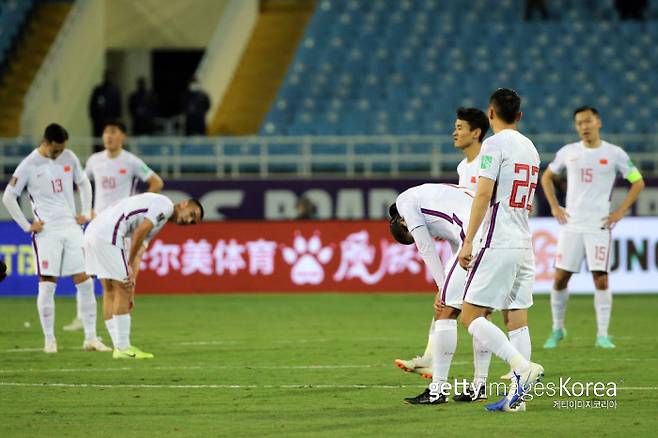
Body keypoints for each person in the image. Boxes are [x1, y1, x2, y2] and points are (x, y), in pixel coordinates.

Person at [457, 89, 543, 412]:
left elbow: (483, 196)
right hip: (524, 242)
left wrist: (468, 241)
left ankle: (520, 365)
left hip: (499, 240)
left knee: (469, 316)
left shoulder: (493, 145)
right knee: (516, 317)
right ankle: (517, 400)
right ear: (519, 116)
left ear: (490, 114)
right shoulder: (531, 149)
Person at [394, 108, 491, 386]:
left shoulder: (489, 160)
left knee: (480, 311)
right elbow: (455, 223)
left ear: (476, 132)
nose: (454, 132)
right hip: (470, 237)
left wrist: (442, 283)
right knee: (471, 309)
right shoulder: (463, 168)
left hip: (491, 234)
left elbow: (487, 202)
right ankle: (449, 366)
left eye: (460, 127)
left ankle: (518, 363)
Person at [541, 107, 644, 350]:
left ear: (598, 121)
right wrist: (555, 206)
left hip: (598, 226)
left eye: (587, 121)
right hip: (572, 224)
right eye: (579, 123)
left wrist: (620, 211)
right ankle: (557, 329)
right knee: (559, 278)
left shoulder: (614, 153)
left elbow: (637, 182)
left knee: (601, 279)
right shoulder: (569, 152)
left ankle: (603, 335)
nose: (584, 126)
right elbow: (546, 177)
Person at [1, 123, 110, 353]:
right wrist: (27, 225)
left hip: (71, 226)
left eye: (62, 149)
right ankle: (49, 340)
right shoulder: (29, 165)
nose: (60, 153)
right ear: (46, 142)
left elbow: (83, 183)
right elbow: (9, 197)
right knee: (48, 283)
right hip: (47, 231)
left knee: (85, 281)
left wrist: (87, 211)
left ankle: (90, 338)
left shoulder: (69, 157)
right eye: (56, 149)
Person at [390, 183, 492, 404]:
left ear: (402, 221)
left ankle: (438, 390)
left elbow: (426, 247)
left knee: (445, 310)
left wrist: (441, 288)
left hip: (474, 233)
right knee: (480, 311)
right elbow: (457, 247)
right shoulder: (430, 195)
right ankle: (480, 385)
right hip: (496, 232)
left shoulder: (404, 202)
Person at [62, 120, 164, 337]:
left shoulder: (131, 161)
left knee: (124, 277)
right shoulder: (94, 161)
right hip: (98, 225)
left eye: (113, 132)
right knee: (90, 274)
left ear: (123, 136)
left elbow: (156, 182)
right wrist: (86, 210)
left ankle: (122, 325)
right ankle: (84, 318)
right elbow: (82, 184)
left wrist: (137, 204)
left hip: (123, 227)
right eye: (106, 132)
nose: (108, 136)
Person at [83, 193, 203, 359]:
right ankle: (123, 347)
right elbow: (140, 232)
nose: (189, 221)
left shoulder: (159, 215)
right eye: (191, 214)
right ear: (183, 204)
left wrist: (133, 284)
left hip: (93, 231)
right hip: (108, 233)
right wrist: (128, 264)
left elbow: (139, 251)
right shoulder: (165, 206)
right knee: (122, 288)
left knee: (110, 289)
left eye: (193, 222)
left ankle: (118, 346)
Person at [89, 70, 122, 138]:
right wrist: (95, 119)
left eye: (111, 76)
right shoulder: (98, 90)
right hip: (99, 123)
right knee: (99, 142)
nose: (109, 78)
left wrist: (116, 120)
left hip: (111, 122)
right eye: (107, 76)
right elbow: (92, 106)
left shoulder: (115, 91)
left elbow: (118, 107)